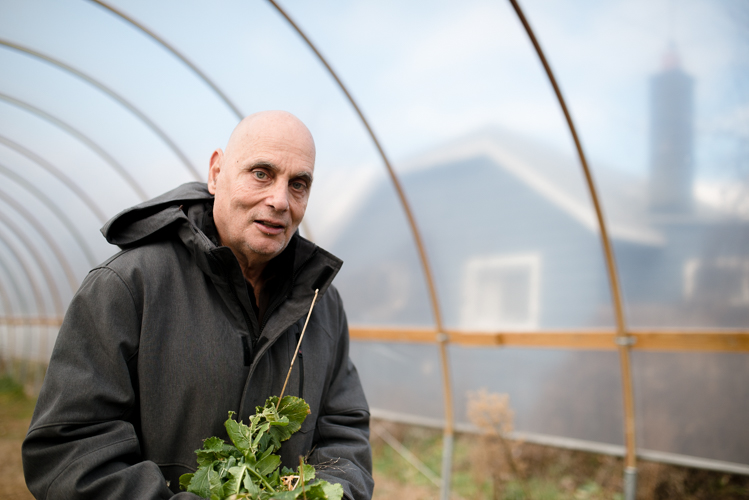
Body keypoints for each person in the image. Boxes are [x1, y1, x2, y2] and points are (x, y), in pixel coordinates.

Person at [22, 111, 374, 499]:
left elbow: (345, 431)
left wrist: (326, 494)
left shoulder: (319, 303)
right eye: (261, 173)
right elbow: (70, 451)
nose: (279, 200)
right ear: (216, 172)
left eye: (298, 184)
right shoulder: (128, 285)